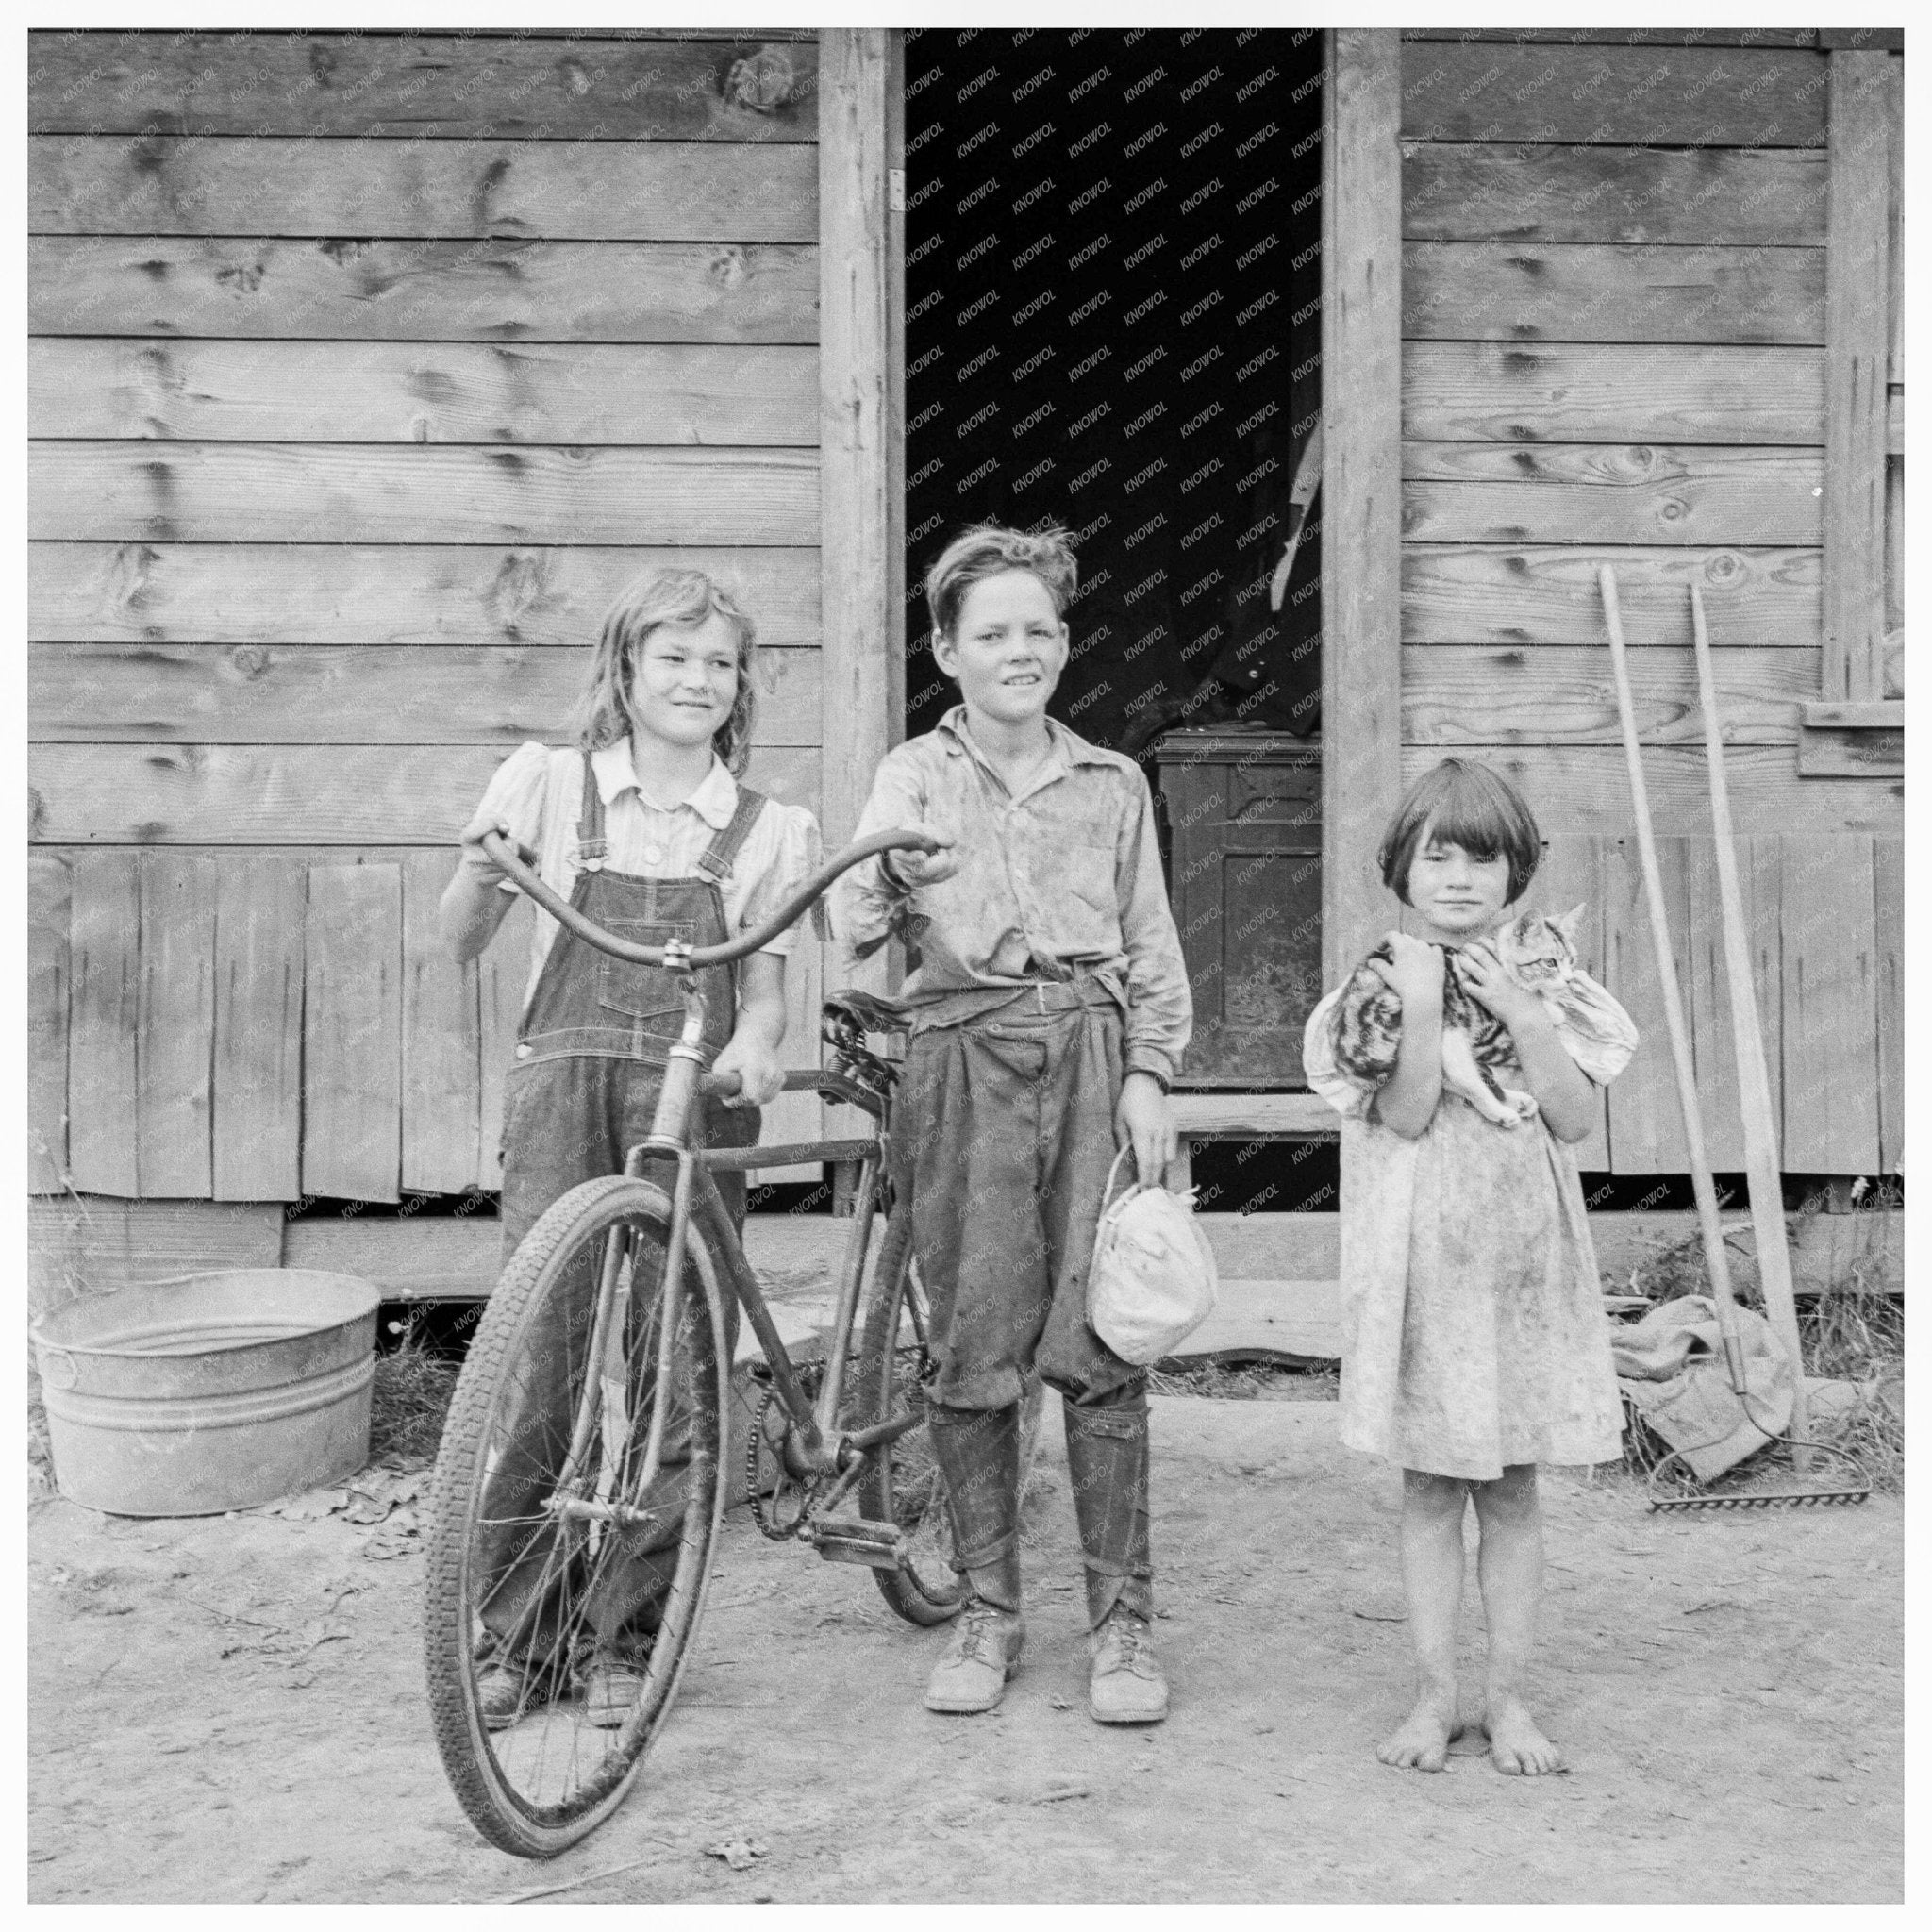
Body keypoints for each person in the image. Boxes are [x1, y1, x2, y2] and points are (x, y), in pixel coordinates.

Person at [440, 566, 820, 1730]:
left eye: (719, 663)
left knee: (673, 1366)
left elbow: (763, 996)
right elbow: (456, 939)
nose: (697, 680)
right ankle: (519, 1633)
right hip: (563, 1092)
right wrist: (477, 864)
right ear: (624, 668)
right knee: (540, 1358)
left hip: (691, 1103)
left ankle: (630, 1636)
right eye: (674, 657)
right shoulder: (549, 786)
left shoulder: (769, 826)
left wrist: (754, 1049)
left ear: (739, 684)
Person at [835, 523, 1193, 1724]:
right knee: (975, 1346)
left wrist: (1150, 1071)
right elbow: (852, 924)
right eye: (991, 632)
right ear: (946, 651)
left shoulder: (1112, 781)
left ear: (1063, 643)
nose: (1019, 649)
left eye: (1039, 628)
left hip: (1092, 1053)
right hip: (960, 1060)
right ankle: (987, 1610)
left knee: (1101, 1339)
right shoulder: (910, 776)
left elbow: (1149, 942)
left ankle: (1122, 1625)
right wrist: (889, 873)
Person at [1302, 758, 1637, 1776]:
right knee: (1425, 1487)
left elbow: (1575, 1116)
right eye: (1434, 855)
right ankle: (1434, 1691)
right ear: (1399, 868)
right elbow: (1404, 1111)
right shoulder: (1375, 979)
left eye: (1479, 857)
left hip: (1518, 1264)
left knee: (1513, 1489)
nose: (1456, 877)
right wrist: (1414, 1005)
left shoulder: (1544, 977)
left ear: (1516, 870)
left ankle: (1508, 1696)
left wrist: (1524, 1013)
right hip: (1420, 1264)